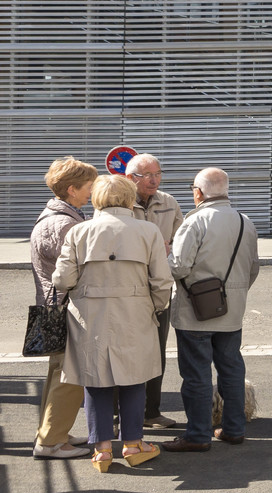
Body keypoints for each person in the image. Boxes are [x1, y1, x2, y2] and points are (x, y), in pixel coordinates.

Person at [52, 174, 172, 472]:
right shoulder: (148, 231)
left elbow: (63, 279)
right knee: (134, 378)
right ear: (130, 198)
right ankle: (133, 444)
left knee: (95, 381)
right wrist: (155, 308)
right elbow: (161, 281)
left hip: (89, 315)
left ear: (97, 199)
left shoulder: (79, 232)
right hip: (135, 311)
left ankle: (102, 450)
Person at [165, 168, 261, 452]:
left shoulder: (194, 222)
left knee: (196, 374)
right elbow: (253, 268)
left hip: (195, 312)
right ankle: (233, 429)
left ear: (198, 192)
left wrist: (165, 256)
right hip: (232, 312)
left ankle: (197, 435)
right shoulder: (246, 222)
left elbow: (179, 266)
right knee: (231, 369)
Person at [30, 156, 96, 459]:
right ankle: (51, 441)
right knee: (69, 375)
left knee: (59, 372)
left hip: (53, 306)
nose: (93, 191)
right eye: (89, 186)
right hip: (63, 307)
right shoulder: (64, 223)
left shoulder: (59, 217)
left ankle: (53, 432)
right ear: (72, 189)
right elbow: (76, 271)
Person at [125, 152, 182, 430]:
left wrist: (171, 250)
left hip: (160, 286)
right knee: (123, 351)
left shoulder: (169, 202)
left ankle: (152, 412)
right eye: (147, 175)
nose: (154, 180)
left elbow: (182, 238)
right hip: (128, 289)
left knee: (157, 351)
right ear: (130, 178)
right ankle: (116, 416)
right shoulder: (119, 200)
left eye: (157, 174)